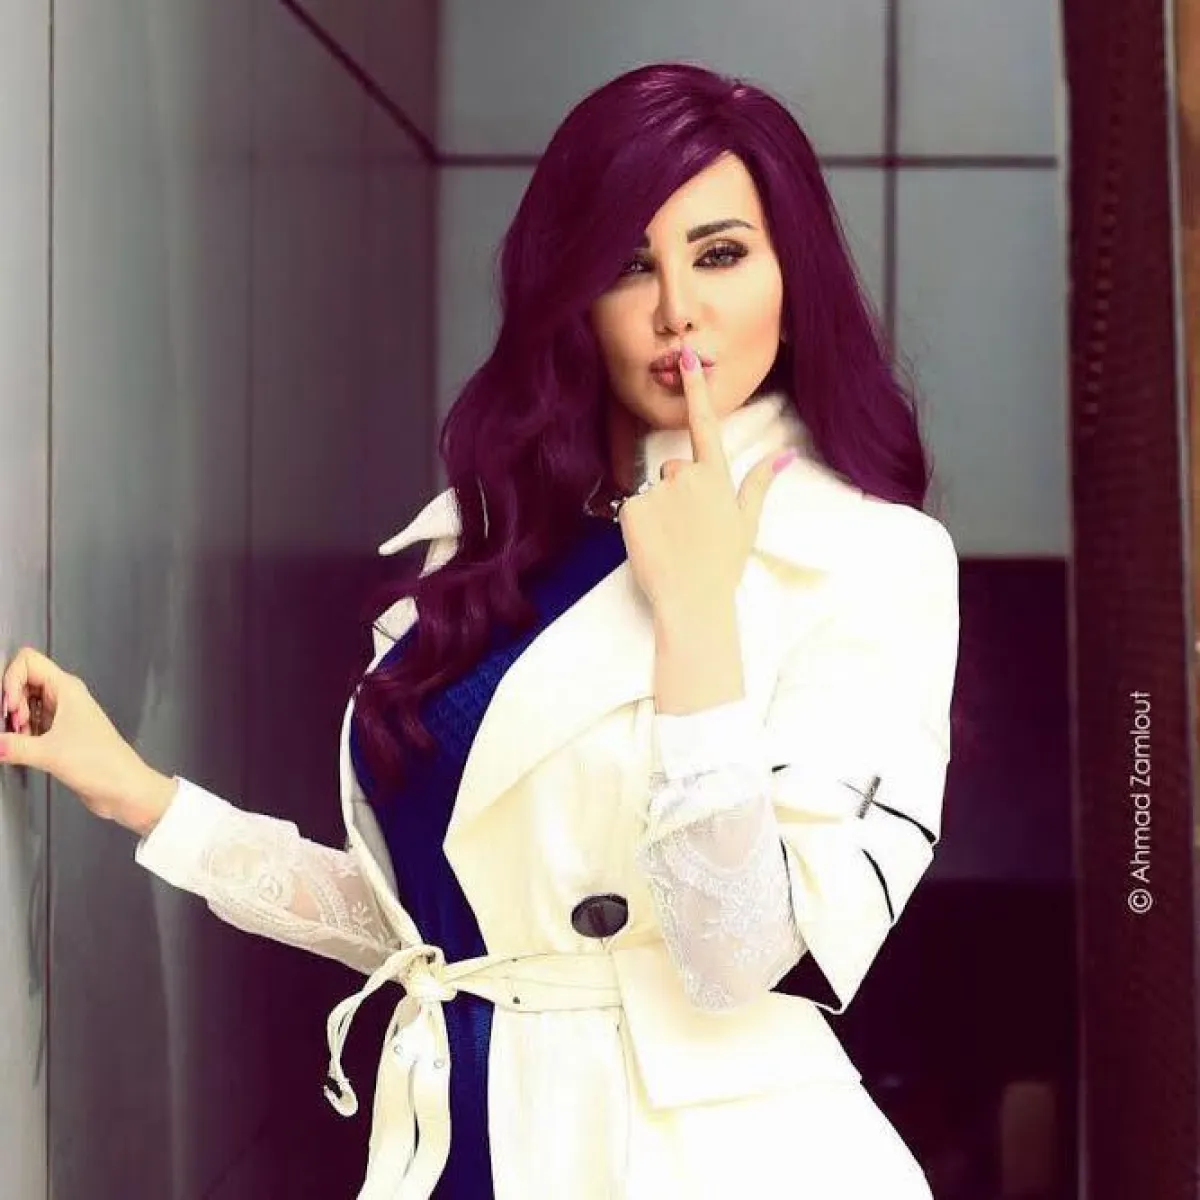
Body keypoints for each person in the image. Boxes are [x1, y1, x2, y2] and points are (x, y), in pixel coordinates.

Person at [0, 62, 960, 1199]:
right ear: (574, 297)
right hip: (464, 1138)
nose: (676, 309)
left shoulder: (866, 558)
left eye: (719, 254)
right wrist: (140, 796)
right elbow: (441, 932)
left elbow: (739, 955)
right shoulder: (498, 539)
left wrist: (698, 621)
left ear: (792, 280)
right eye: (628, 264)